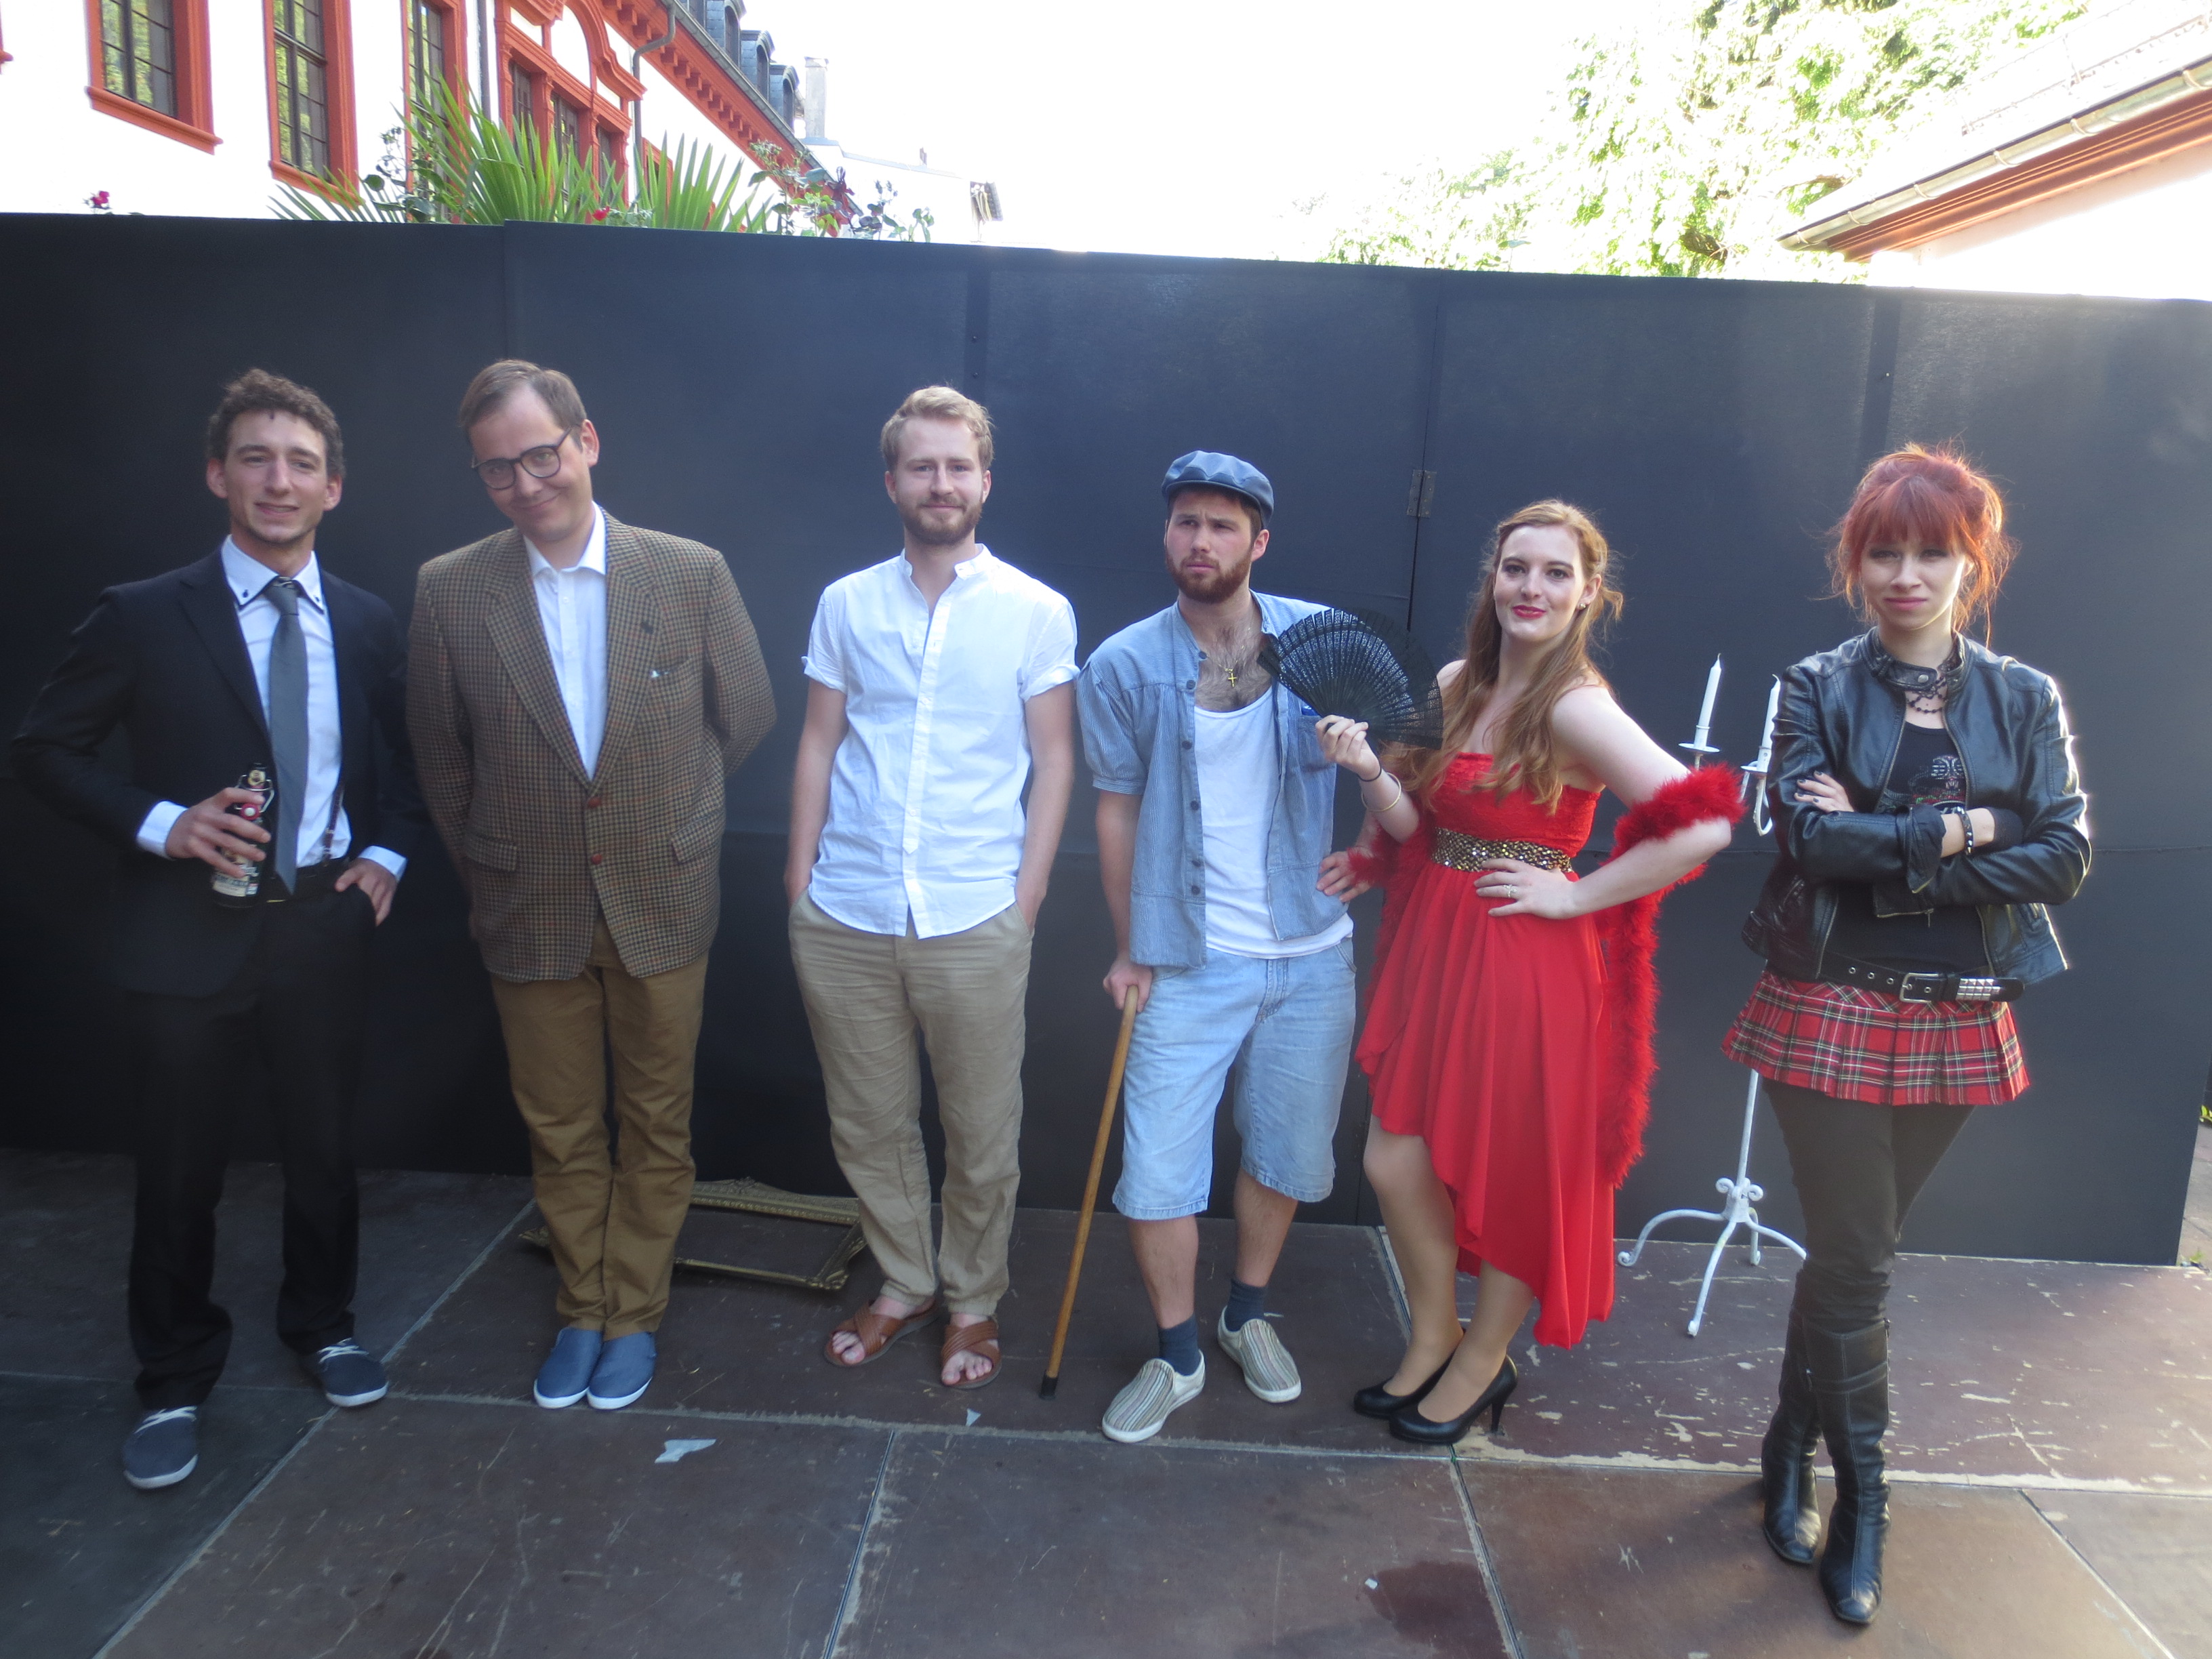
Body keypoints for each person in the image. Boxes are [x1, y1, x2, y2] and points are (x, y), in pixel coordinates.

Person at [13, 369, 427, 1490]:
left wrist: (388, 855)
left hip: (320, 930)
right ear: (217, 476)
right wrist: (164, 823)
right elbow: (43, 750)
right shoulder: (144, 612)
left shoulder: (368, 621)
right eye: (256, 458)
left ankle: (324, 1327)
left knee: (325, 1153)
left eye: (301, 463)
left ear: (333, 488)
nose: (278, 480)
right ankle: (173, 1378)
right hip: (182, 937)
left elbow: (408, 759)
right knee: (178, 1170)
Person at [1725, 445, 2088, 1626]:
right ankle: (1866, 1504)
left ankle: (1787, 1445)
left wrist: (1893, 836)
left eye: (1933, 552)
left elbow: (2065, 854)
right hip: (1832, 1002)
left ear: (1973, 562)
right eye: (1884, 551)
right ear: (1856, 561)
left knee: (1850, 1258)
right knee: (1861, 1260)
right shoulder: (1814, 686)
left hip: (1963, 1010)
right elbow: (1810, 843)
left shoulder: (2023, 698)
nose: (1906, 574)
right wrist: (1974, 828)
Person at [1322, 501, 1739, 1446]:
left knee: (1514, 1171)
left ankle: (1483, 1360)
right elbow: (1418, 828)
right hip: (1437, 948)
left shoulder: (1574, 706)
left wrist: (1577, 895)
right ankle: (1435, 1335)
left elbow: (1707, 823)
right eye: (1517, 568)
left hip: (1523, 961)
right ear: (1494, 577)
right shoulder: (1457, 682)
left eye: (1556, 573)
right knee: (1395, 1158)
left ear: (1589, 593)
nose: (1532, 588)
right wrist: (1369, 772)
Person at [409, 360, 774, 1414]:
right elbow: (440, 759)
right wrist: (495, 858)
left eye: (541, 455)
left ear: (586, 442)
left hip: (663, 897)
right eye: (498, 470)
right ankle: (583, 1307)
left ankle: (636, 1313)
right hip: (528, 907)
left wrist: (671, 817)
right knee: (561, 1125)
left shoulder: (689, 574)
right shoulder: (450, 590)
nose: (525, 484)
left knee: (657, 1122)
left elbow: (746, 715)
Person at [787, 386, 1077, 1390]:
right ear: (893, 482)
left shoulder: (1036, 610)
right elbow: (819, 741)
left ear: (986, 481)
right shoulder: (846, 603)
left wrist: (1026, 895)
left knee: (981, 1133)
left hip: (975, 909)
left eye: (959, 466)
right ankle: (906, 1283)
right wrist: (799, 880)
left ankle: (974, 1299)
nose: (941, 483)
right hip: (846, 909)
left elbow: (1056, 758)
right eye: (923, 466)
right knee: (868, 1124)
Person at [1078, 452, 1358, 1445]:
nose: (1201, 541)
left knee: (1285, 1153)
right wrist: (1130, 947)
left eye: (1223, 525)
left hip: (1311, 954)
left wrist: (1373, 849)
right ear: (1168, 535)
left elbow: (1406, 753)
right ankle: (1177, 1353)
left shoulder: (1323, 641)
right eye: (1186, 522)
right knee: (1158, 1170)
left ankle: (1245, 1315)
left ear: (1259, 541)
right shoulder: (1122, 664)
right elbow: (1116, 811)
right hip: (1186, 957)